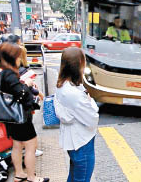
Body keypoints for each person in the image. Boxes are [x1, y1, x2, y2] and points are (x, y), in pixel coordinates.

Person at [0, 43, 48, 182]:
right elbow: (21, 93)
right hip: (20, 117)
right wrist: (27, 84)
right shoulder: (9, 73)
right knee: (31, 145)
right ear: (11, 57)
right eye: (17, 57)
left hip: (9, 116)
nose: (19, 60)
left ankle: (19, 174)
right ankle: (31, 177)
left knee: (17, 145)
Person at [55, 47, 99, 182]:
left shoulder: (62, 85)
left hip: (72, 141)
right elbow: (92, 119)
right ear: (79, 64)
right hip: (82, 142)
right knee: (82, 178)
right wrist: (91, 101)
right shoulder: (74, 94)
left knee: (73, 176)